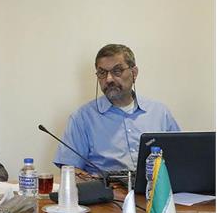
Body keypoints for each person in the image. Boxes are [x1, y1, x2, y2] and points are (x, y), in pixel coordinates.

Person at [54, 44, 180, 174]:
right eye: (102, 73)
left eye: (117, 71)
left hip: (154, 186)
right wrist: (99, 185)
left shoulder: (159, 113)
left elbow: (180, 157)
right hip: (105, 186)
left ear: (134, 73)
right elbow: (69, 170)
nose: (109, 79)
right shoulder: (82, 118)